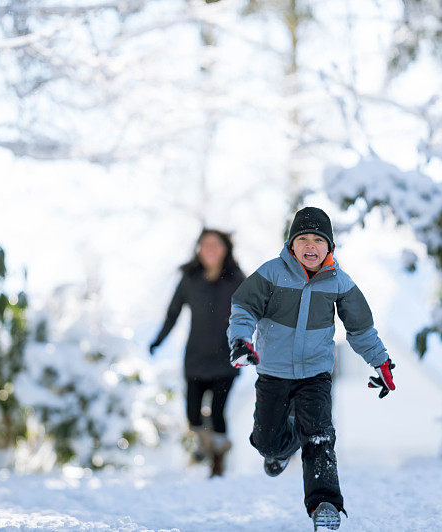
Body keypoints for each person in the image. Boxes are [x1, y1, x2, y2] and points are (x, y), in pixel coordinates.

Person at [226, 207, 396, 531]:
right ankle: (281, 450)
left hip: (315, 376)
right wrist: (241, 341)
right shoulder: (272, 273)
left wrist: (381, 362)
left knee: (319, 436)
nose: (310, 245)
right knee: (266, 441)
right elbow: (243, 308)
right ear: (291, 244)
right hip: (274, 373)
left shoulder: (339, 282)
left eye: (318, 239)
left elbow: (360, 329)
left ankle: (325, 504)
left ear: (329, 247)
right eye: (303, 238)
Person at [150, 228, 245, 477]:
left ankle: (217, 463)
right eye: (205, 245)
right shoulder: (189, 279)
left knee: (217, 412)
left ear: (225, 248)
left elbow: (253, 312)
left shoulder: (236, 279)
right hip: (195, 358)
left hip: (227, 359)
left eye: (216, 244)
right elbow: (173, 313)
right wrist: (157, 341)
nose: (210, 249)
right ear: (199, 250)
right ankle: (209, 446)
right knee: (193, 416)